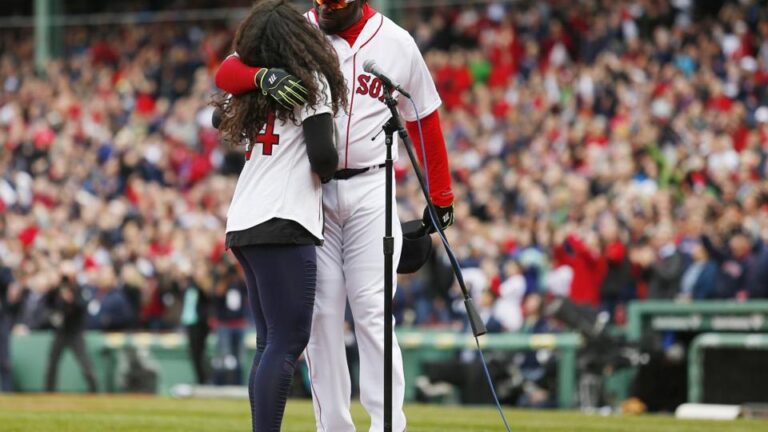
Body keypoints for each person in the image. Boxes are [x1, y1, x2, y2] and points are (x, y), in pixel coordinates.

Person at [215, 0, 455, 429]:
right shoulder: (296, 30)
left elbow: (425, 116)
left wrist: (440, 195)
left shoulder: (397, 42)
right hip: (313, 191)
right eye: (321, 2)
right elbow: (228, 72)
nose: (326, 9)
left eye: (336, 3)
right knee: (322, 318)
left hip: (371, 184)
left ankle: (387, 426)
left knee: (373, 312)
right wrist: (261, 75)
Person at [214, 0, 345, 430]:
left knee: (268, 342)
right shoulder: (312, 83)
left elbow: (224, 86)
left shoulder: (253, 86)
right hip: (284, 218)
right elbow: (323, 157)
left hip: (244, 219)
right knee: (287, 342)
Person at [44, 263, 98, 393]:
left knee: (85, 363)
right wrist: (53, 288)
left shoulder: (80, 289)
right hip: (61, 331)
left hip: (75, 332)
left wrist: (71, 299)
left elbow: (84, 306)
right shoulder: (58, 290)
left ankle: (94, 391)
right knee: (52, 363)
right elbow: (48, 303)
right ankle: (49, 392)